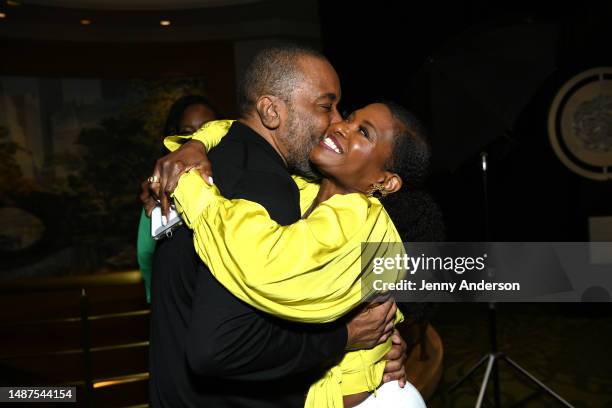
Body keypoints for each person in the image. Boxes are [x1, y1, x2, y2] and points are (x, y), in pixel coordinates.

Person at [146, 44, 407, 408]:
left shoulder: (215, 161)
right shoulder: (265, 187)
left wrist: (377, 342)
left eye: (339, 110)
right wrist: (343, 338)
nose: (336, 122)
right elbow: (218, 347)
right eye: (324, 107)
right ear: (271, 111)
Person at [136, 95, 218, 302]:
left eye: (207, 130)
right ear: (174, 136)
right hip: (176, 304)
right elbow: (146, 257)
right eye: (187, 132)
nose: (196, 140)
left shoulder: (236, 180)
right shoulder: (157, 190)